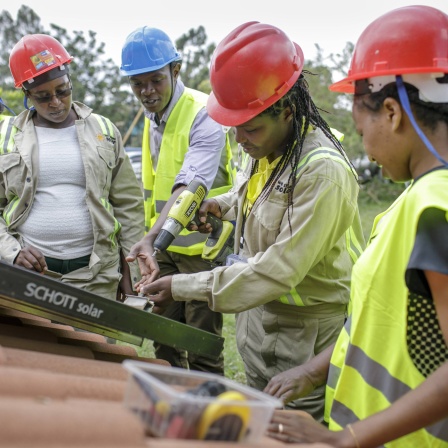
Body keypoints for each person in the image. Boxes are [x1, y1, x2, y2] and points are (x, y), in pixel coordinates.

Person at [137, 22, 365, 421]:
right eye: (234, 125)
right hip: (258, 323)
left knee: (289, 429)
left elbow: (278, 271)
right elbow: (251, 191)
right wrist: (221, 206)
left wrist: (181, 286)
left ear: (288, 111)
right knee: (257, 424)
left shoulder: (322, 174)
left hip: (305, 337)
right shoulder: (265, 144)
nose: (239, 139)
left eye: (250, 127)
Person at [265, 5, 448, 447]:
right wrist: (312, 370)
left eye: (360, 125)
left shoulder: (435, 208)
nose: (364, 144)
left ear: (392, 112)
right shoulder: (415, 198)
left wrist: (344, 439)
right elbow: (378, 321)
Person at [121, 27, 235, 375]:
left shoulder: (205, 112)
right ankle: (168, 404)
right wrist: (153, 244)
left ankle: (206, 417)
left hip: (202, 250)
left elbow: (189, 186)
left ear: (176, 70)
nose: (147, 92)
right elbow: (155, 190)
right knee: (162, 338)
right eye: (138, 84)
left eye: (155, 80)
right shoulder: (151, 120)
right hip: (164, 250)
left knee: (200, 343)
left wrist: (151, 238)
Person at [0, 34, 144, 302]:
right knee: (32, 344)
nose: (56, 102)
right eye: (43, 96)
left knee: (95, 345)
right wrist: (12, 252)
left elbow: (129, 206)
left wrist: (130, 272)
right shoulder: (6, 135)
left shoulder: (104, 130)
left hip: (96, 276)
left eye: (63, 90)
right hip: (29, 277)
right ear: (26, 94)